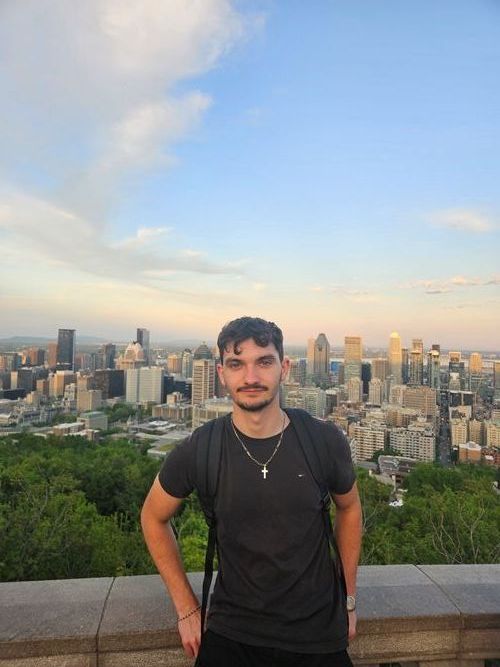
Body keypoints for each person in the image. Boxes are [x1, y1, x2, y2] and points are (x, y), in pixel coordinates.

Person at [141, 316, 362, 666]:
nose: (251, 377)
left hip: (318, 636)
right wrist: (186, 607)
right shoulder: (202, 448)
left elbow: (349, 508)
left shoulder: (322, 440)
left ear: (284, 368)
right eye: (236, 364)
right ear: (221, 373)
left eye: (264, 362)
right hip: (231, 634)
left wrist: (348, 598)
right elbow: (153, 517)